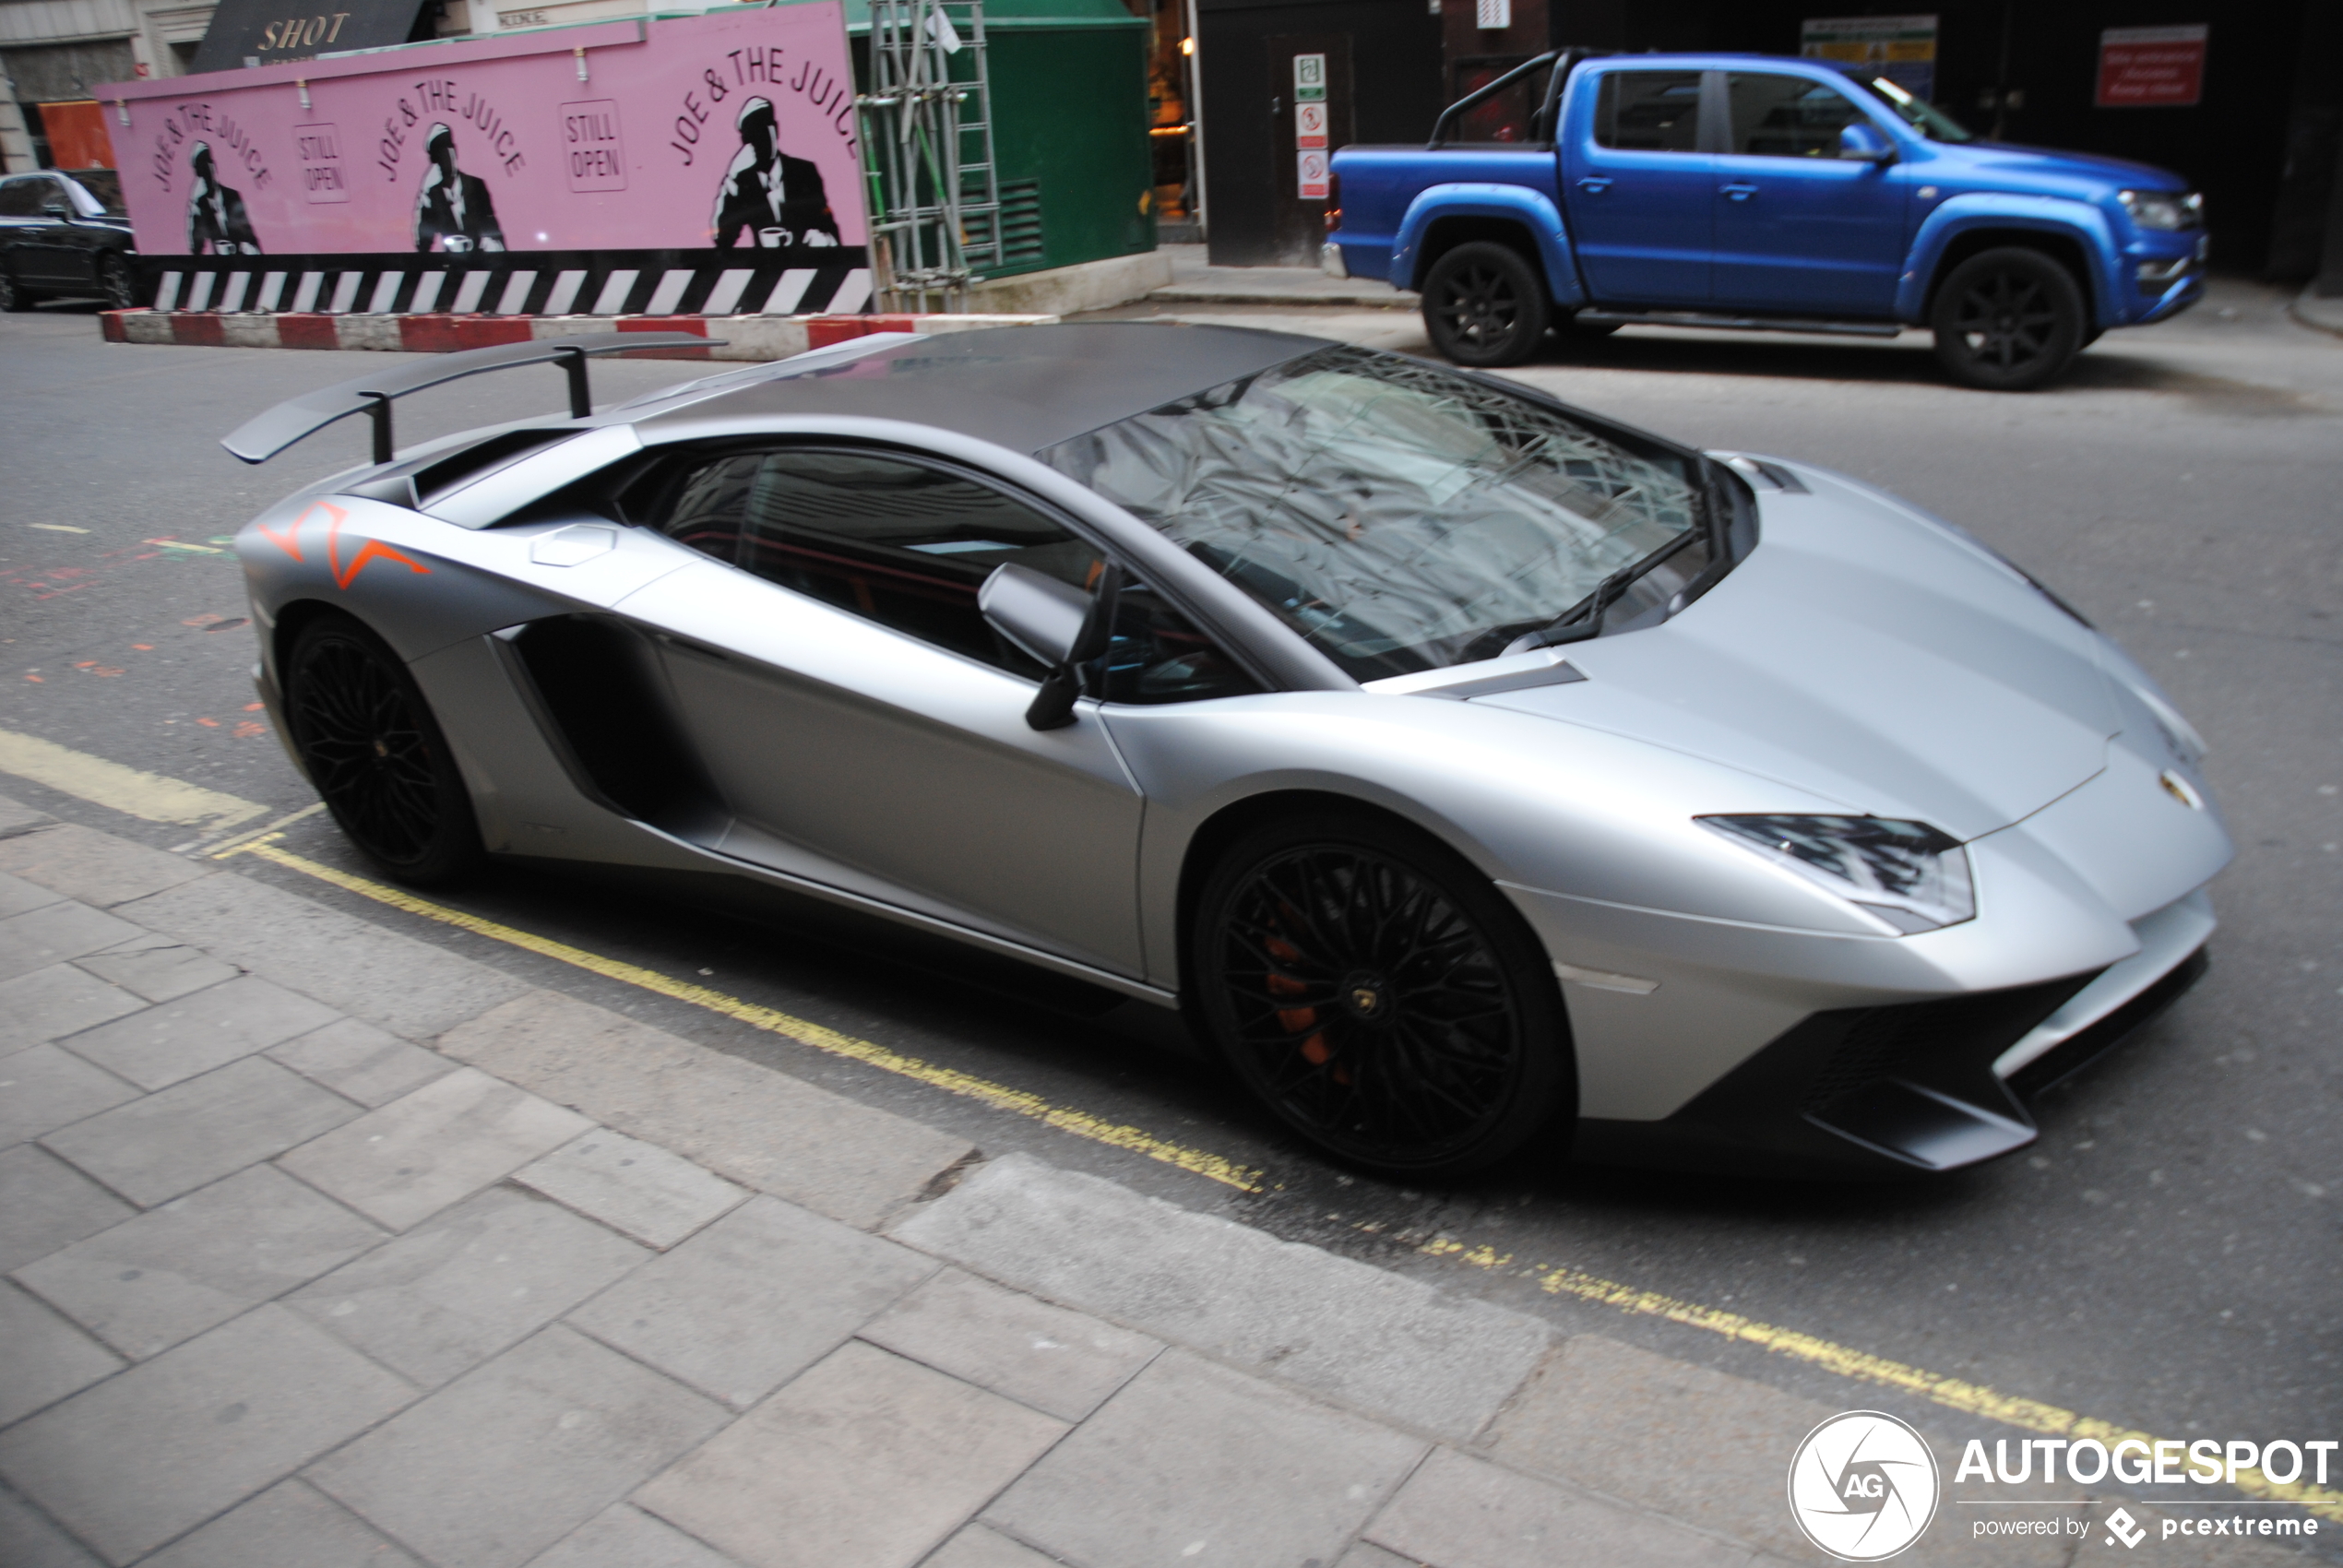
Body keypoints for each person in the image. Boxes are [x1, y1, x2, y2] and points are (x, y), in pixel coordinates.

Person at [711, 97, 840, 248]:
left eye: (766, 128)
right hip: (765, 269)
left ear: (776, 129)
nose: (762, 137)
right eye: (754, 132)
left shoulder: (804, 172)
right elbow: (722, 238)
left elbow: (830, 230)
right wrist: (730, 178)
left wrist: (823, 239)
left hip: (805, 265)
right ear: (746, 142)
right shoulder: (742, 183)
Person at [413, 123, 505, 254]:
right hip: (452, 267)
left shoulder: (476, 186)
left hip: (482, 262)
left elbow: (492, 229)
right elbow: (423, 242)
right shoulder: (433, 195)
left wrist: (491, 246)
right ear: (435, 160)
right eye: (443, 152)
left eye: (451, 148)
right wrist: (423, 197)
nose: (449, 156)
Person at [185, 142, 262, 255]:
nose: (208, 167)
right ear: (198, 172)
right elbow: (195, 247)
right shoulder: (200, 205)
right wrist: (194, 206)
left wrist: (248, 250)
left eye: (209, 161)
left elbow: (249, 236)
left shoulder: (232, 196)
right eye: (202, 165)